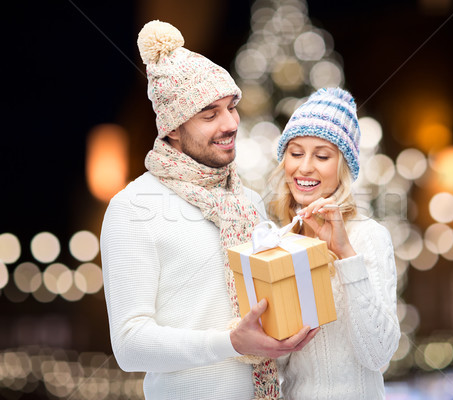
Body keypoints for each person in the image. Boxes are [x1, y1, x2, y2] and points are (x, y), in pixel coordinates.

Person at [100, 20, 317, 400]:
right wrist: (231, 342)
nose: (231, 123)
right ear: (172, 129)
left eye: (231, 107)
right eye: (209, 114)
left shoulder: (246, 202)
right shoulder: (133, 208)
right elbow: (129, 344)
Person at [267, 87, 401, 399]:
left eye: (322, 156)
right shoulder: (280, 240)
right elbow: (279, 362)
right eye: (296, 153)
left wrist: (344, 254)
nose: (305, 167)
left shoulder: (367, 236)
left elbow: (378, 355)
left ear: (343, 168)